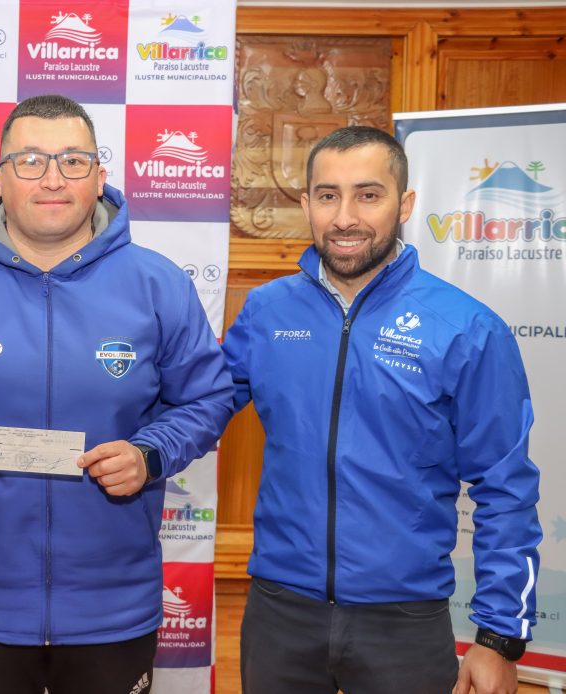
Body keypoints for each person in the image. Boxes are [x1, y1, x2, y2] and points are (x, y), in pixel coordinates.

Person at [0, 94, 234, 694]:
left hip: (112, 607)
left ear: (99, 176)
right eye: (31, 160)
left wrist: (150, 454)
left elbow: (207, 398)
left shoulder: (158, 283)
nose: (52, 179)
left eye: (72, 160)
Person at [224, 125, 541, 694]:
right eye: (328, 195)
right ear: (307, 205)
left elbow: (506, 487)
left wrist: (498, 638)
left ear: (405, 204)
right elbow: (199, 404)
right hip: (279, 611)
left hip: (404, 620)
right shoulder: (266, 311)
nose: (345, 217)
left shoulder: (467, 328)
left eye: (368, 195)